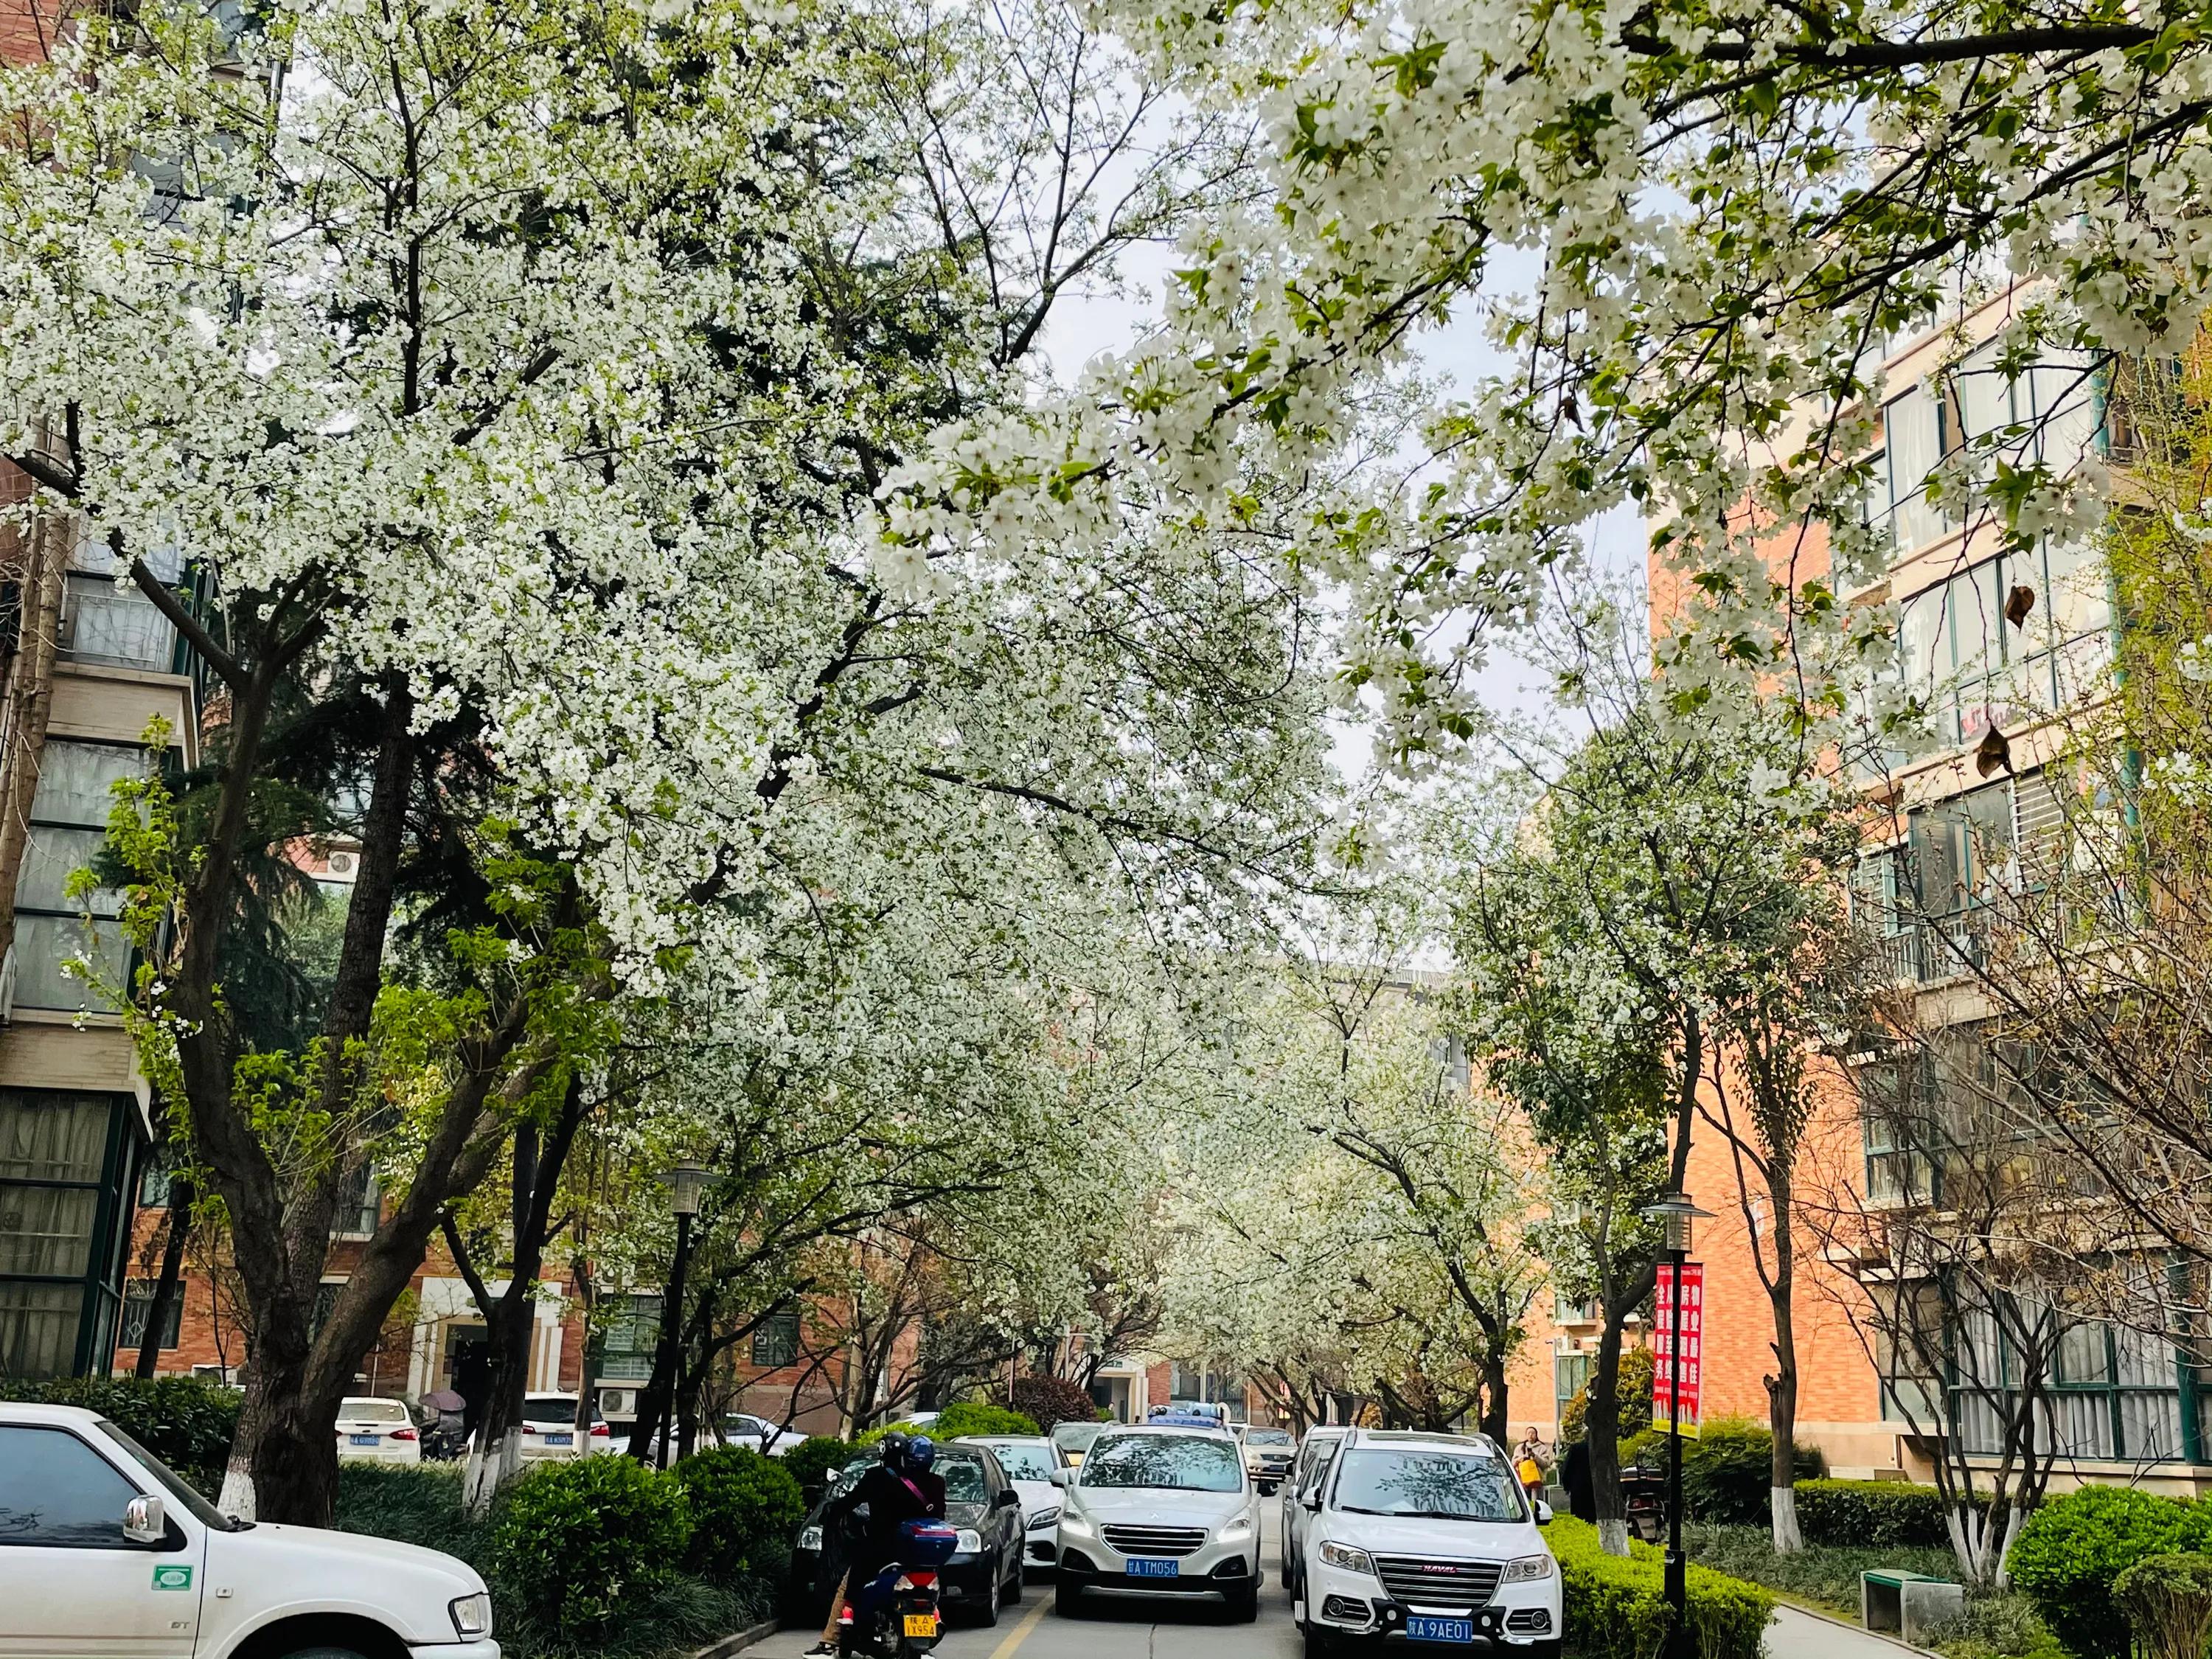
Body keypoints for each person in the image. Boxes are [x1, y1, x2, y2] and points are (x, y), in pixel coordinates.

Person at [805, 1433, 947, 1655]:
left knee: (848, 1587)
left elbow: (850, 1503)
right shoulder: (937, 1483)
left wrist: (831, 1512)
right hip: (917, 1555)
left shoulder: (878, 1477)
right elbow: (939, 1516)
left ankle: (830, 1640)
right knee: (925, 1591)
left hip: (879, 1549)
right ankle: (931, 1623)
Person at [1561, 1435, 1595, 1523]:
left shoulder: (1576, 1448)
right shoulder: (1601, 1449)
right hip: (1595, 1487)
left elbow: (1567, 1467)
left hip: (1577, 1486)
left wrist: (1566, 1486)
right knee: (1593, 1517)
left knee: (1578, 1517)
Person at [1513, 1428, 1550, 1503]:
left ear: (1536, 1435)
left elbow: (1546, 1464)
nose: (1531, 1435)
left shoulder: (1542, 1448)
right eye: (1529, 1433)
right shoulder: (1520, 1448)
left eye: (1533, 1433)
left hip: (1536, 1479)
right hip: (1522, 1478)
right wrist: (1522, 1458)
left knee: (1535, 1496)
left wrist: (1535, 1457)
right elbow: (1513, 1462)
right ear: (1526, 1435)